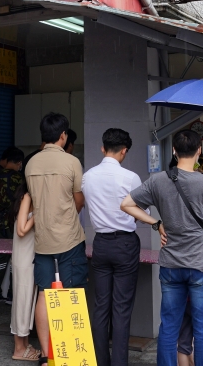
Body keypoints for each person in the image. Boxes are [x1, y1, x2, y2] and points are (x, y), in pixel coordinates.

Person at [122, 129, 203, 366]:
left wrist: (156, 223)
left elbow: (126, 204)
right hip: (202, 264)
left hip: (171, 263)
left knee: (168, 329)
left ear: (174, 151)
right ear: (199, 151)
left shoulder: (158, 180)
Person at [25, 112, 87, 361]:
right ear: (63, 136)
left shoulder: (31, 164)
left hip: (42, 240)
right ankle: (69, 355)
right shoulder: (71, 163)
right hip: (69, 238)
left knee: (44, 293)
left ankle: (47, 354)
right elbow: (78, 200)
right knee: (70, 292)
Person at [82, 128, 142, 366]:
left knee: (100, 306)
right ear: (124, 151)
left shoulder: (88, 176)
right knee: (121, 308)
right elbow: (142, 213)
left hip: (100, 244)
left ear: (103, 148)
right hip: (125, 243)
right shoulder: (131, 178)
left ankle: (100, 362)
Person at [0, 147, 26, 304]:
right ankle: (11, 295)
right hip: (13, 220)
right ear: (18, 162)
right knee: (15, 256)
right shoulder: (18, 178)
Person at [9, 176, 40, 362]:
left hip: (29, 256)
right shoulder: (28, 196)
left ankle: (25, 344)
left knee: (27, 300)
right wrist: (38, 213)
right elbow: (22, 230)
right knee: (22, 301)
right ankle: (19, 349)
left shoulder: (30, 196)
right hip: (24, 257)